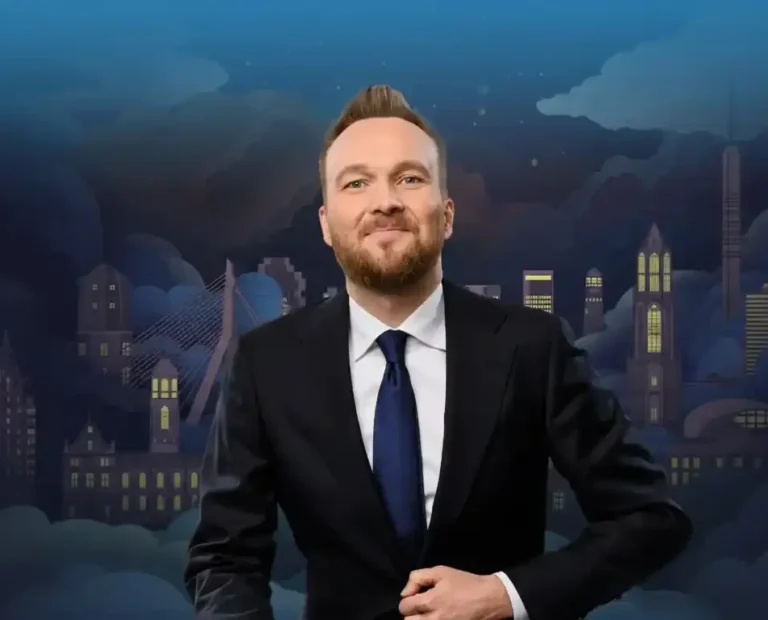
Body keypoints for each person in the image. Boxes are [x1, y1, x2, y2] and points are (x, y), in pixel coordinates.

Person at [184, 85, 692, 620]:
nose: (385, 201)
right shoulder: (266, 365)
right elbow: (224, 559)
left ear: (446, 215)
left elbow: (651, 518)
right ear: (326, 225)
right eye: (356, 182)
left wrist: (506, 595)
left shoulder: (533, 347)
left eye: (409, 178)